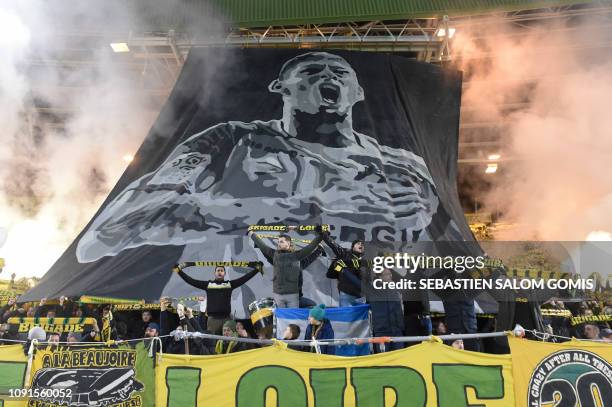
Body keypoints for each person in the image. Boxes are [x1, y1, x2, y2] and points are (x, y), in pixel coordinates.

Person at [76, 52, 442, 264]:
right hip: (256, 318)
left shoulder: (405, 167)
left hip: (367, 321)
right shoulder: (231, 140)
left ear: (358, 92)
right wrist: (310, 208)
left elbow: (429, 255)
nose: (328, 78)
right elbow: (101, 238)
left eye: (340, 73)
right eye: (311, 72)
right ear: (280, 88)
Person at [172, 264, 262, 334]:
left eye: (222, 270)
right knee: (213, 342)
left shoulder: (229, 284)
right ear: (214, 273)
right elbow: (191, 281)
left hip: (227, 319)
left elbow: (244, 278)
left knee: (229, 342)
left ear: (224, 273)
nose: (219, 272)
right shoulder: (208, 285)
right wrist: (179, 271)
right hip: (212, 320)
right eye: (218, 270)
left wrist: (256, 270)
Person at [249, 228, 323, 308]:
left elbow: (309, 255)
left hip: (293, 297)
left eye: (281, 242)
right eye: (278, 242)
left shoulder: (292, 258)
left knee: (306, 308)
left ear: (288, 243)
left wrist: (319, 249)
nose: (278, 244)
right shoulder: (287, 257)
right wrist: (320, 248)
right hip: (290, 297)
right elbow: (265, 250)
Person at [321, 231, 368, 307]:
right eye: (358, 243)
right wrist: (324, 234)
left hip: (361, 296)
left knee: (360, 318)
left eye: (363, 244)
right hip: (347, 294)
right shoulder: (344, 253)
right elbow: (333, 245)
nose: (361, 245)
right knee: (346, 317)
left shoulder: (365, 261)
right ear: (353, 247)